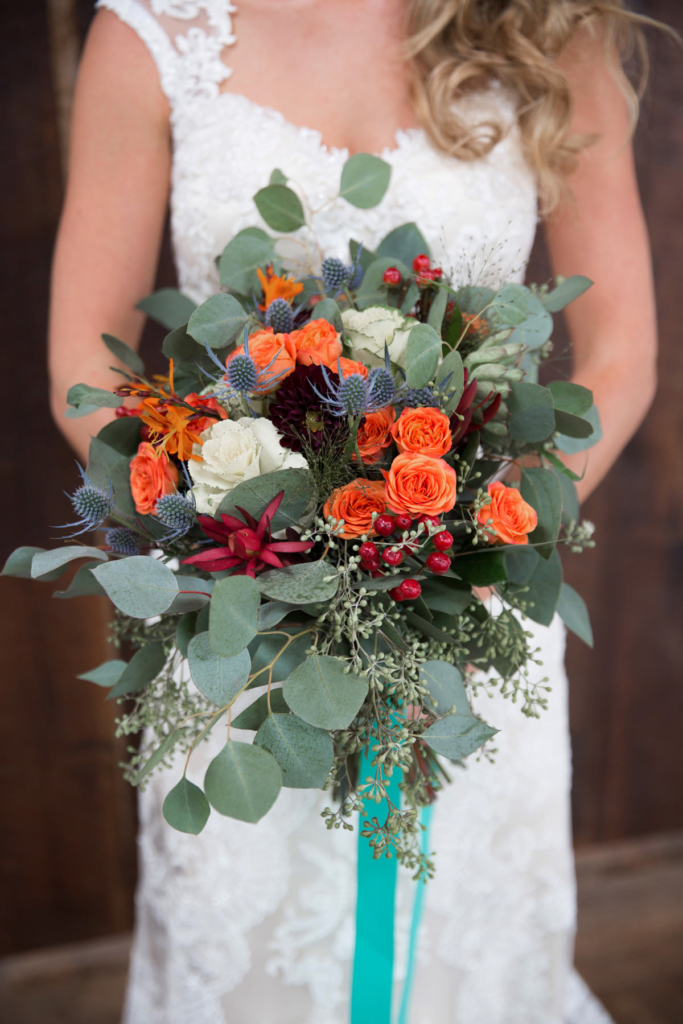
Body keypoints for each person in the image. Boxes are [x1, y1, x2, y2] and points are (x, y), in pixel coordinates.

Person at [48, 2, 658, 1022]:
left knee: (466, 954)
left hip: (467, 599)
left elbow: (619, 352)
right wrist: (228, 528)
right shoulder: (156, 29)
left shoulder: (552, 26)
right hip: (233, 614)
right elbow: (86, 363)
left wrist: (478, 530)